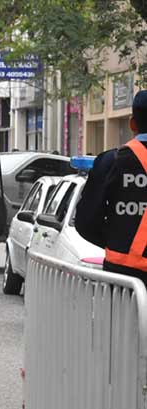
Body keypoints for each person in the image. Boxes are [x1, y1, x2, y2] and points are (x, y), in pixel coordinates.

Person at [76, 90, 147, 287]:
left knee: (121, 319)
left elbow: (86, 221)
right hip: (123, 272)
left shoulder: (110, 161)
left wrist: (118, 241)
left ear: (132, 123)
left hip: (122, 277)